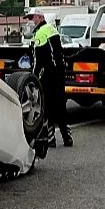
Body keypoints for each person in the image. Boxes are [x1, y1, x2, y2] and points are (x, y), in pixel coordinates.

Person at [25, 12, 72, 147]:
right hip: (59, 72)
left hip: (48, 74)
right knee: (61, 106)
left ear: (40, 18)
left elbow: (37, 60)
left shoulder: (40, 33)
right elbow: (58, 52)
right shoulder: (52, 29)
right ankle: (67, 137)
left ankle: (51, 139)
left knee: (47, 107)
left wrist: (33, 77)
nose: (30, 21)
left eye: (32, 18)